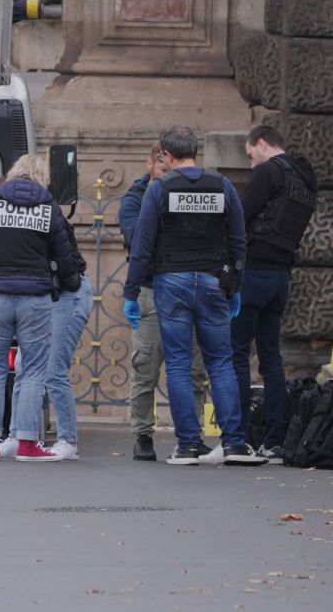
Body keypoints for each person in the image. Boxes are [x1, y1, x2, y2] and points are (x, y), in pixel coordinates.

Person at [122, 125, 266, 466]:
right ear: (195, 151)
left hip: (171, 283)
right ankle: (233, 444)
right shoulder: (222, 185)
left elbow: (142, 245)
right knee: (221, 363)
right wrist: (236, 287)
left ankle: (187, 446)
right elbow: (237, 240)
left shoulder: (159, 190)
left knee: (177, 364)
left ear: (167, 156)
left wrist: (131, 291)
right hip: (214, 281)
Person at [0, 154, 80, 462]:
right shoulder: (49, 207)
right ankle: (28, 445)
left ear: (13, 173)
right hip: (35, 298)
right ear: (42, 176)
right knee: (32, 370)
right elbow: (65, 256)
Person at [232, 125, 318, 464]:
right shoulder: (305, 179)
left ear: (263, 144)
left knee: (237, 355)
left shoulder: (268, 172)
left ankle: (236, 438)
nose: (252, 164)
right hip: (280, 276)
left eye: (251, 155)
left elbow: (239, 217)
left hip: (252, 273)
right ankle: (274, 441)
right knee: (271, 359)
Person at [119, 142, 206, 461]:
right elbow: (136, 237)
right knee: (146, 367)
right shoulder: (135, 198)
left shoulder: (190, 192)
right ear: (151, 165)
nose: (168, 175)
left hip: (185, 288)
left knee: (194, 369)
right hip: (151, 289)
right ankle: (143, 434)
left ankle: (192, 434)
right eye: (162, 169)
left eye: (171, 170)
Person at [5, 213, 94, 460]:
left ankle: (68, 440)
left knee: (53, 370)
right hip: (43, 296)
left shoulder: (46, 217)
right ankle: (18, 434)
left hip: (67, 295)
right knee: (23, 367)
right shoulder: (21, 221)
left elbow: (67, 266)